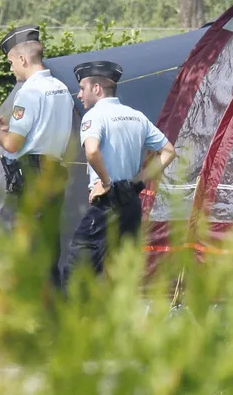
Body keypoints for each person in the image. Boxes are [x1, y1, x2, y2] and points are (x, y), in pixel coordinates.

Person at [63, 60, 176, 284]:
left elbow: (92, 150)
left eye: (82, 88)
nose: (79, 95)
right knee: (122, 272)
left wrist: (105, 182)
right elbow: (168, 151)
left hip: (107, 202)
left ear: (97, 89)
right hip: (131, 201)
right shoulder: (136, 116)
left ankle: (72, 318)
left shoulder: (95, 116)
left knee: (78, 271)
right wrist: (139, 181)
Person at [0, 24, 73, 214]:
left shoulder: (28, 92)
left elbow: (12, 145)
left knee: (32, 241)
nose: (11, 69)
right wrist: (11, 127)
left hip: (33, 179)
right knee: (49, 240)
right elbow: (43, 130)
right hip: (55, 174)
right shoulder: (60, 87)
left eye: (11, 62)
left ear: (22, 59)